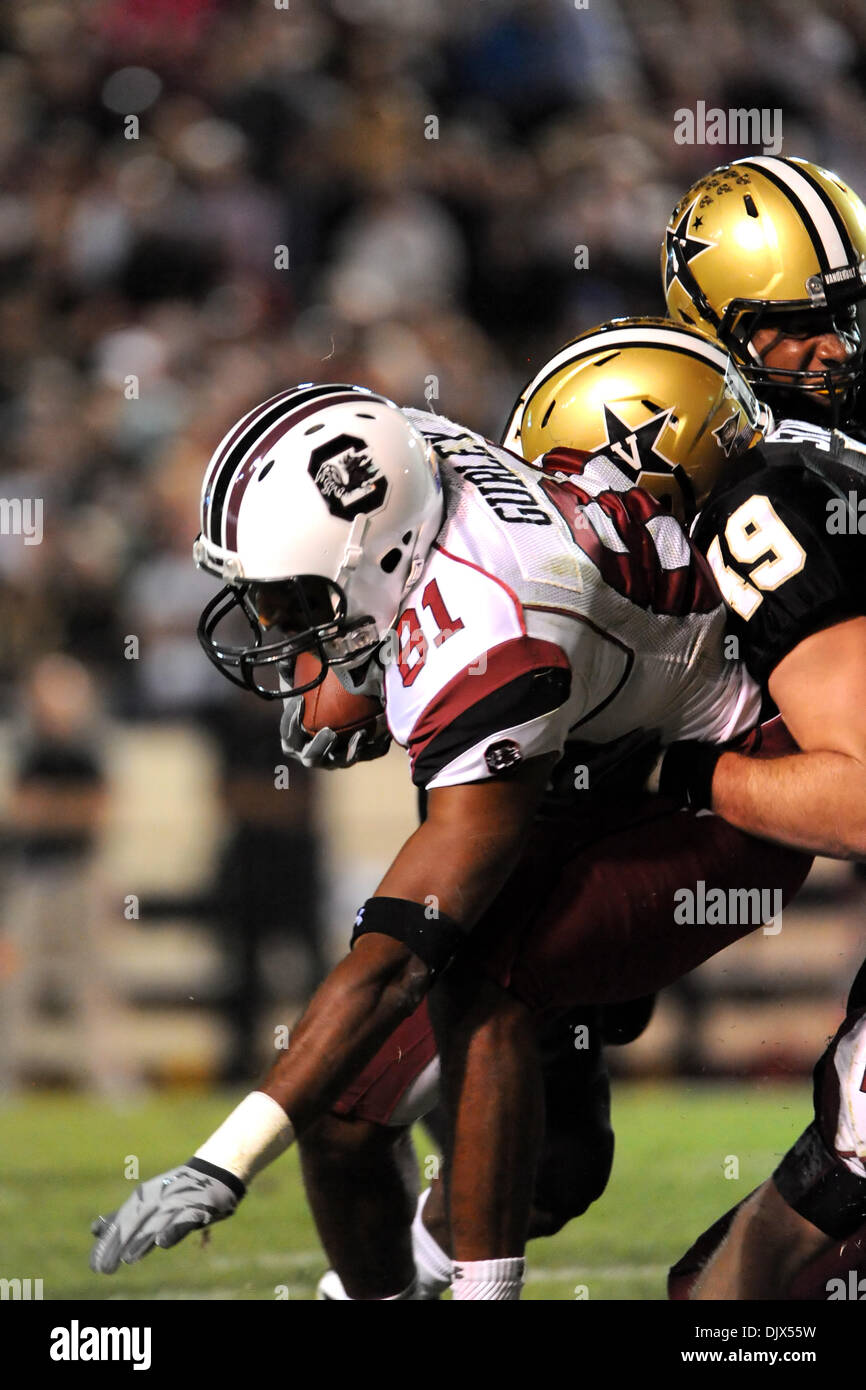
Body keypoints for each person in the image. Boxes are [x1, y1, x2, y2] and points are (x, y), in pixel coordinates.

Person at [89, 368, 795, 1298]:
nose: (280, 633)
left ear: (375, 559)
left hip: (713, 784)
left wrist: (224, 1160)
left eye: (294, 604)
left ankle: (478, 1291)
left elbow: (398, 957)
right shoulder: (406, 465)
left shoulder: (491, 632)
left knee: (483, 982)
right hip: (590, 751)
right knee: (340, 1119)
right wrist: (351, 663)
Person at [655, 154, 866, 1298]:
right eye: (796, 328)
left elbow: (859, 797)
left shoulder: (767, 488)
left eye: (844, 315)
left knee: (735, 1292)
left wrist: (687, 773)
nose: (833, 347)